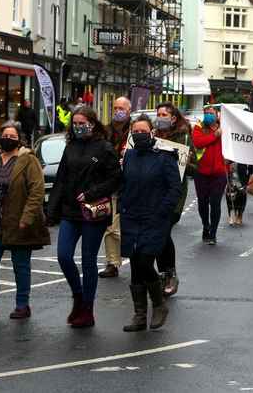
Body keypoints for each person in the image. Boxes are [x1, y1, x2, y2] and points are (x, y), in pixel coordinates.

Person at [48, 106, 122, 328]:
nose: (78, 127)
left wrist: (91, 193)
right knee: (63, 256)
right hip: (70, 212)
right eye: (75, 123)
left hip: (93, 212)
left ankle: (87, 310)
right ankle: (78, 295)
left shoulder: (104, 148)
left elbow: (115, 179)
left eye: (82, 123)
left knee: (88, 261)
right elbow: (60, 180)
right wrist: (51, 211)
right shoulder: (70, 147)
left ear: (93, 122)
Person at [0, 121, 50, 320]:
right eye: (5, 136)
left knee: (20, 265)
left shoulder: (28, 160)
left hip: (18, 222)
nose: (8, 140)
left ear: (19, 139)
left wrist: (27, 217)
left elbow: (37, 191)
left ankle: (22, 304)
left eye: (13, 137)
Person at [119, 116, 182, 332]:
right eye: (135, 131)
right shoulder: (129, 156)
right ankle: (139, 315)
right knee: (136, 264)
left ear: (151, 132)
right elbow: (124, 184)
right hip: (131, 217)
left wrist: (162, 211)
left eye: (143, 130)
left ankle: (158, 304)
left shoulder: (164, 157)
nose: (138, 134)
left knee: (145, 261)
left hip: (155, 219)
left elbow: (175, 188)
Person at [154, 102, 197, 296]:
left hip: (173, 192)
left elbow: (193, 168)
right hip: (152, 190)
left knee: (163, 232)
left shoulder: (183, 136)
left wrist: (183, 161)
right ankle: (162, 273)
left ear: (173, 118)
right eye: (158, 114)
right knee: (155, 235)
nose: (160, 117)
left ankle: (169, 273)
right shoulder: (151, 134)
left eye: (164, 114)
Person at [98, 96, 132, 279]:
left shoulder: (136, 130)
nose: (118, 111)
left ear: (129, 110)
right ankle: (112, 262)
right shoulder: (105, 131)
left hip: (132, 185)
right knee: (110, 227)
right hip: (111, 184)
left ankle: (140, 261)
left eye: (122, 108)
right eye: (116, 107)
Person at [192, 105, 228, 245]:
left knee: (215, 202)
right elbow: (198, 142)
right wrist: (215, 135)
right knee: (202, 202)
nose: (208, 115)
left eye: (211, 112)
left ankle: (213, 232)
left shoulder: (225, 127)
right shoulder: (199, 127)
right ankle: (205, 226)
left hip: (219, 173)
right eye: (205, 112)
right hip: (201, 172)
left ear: (217, 114)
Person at [226, 162, 250, 226]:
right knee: (229, 196)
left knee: (242, 196)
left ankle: (240, 215)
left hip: (242, 177)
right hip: (231, 179)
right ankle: (231, 215)